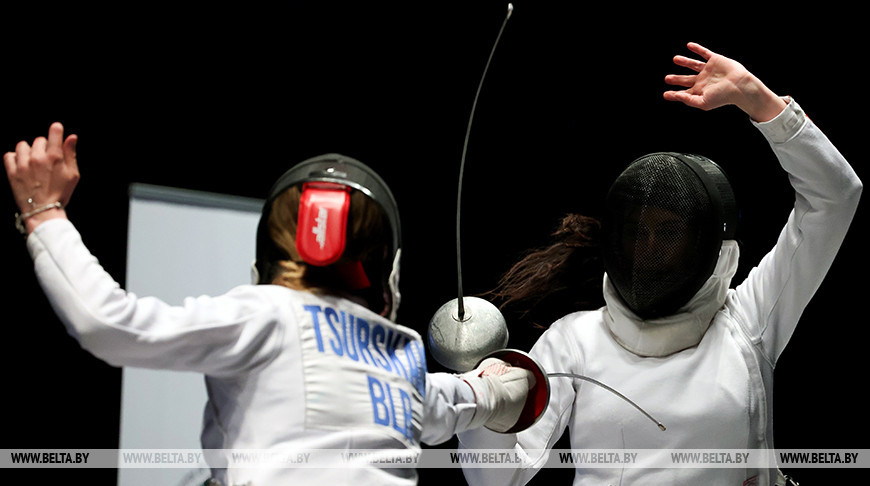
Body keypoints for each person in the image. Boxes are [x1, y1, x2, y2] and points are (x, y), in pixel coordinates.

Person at [4, 136, 535, 484]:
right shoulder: (402, 356)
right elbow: (454, 400)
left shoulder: (268, 316)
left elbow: (110, 323)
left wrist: (43, 213)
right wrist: (500, 388)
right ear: (385, 271)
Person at [457, 42, 862, 485]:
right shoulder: (576, 340)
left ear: (711, 246)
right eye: (638, 231)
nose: (649, 246)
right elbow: (497, 478)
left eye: (668, 232)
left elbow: (835, 197)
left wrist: (756, 98)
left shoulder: (750, 320)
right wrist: (490, 406)